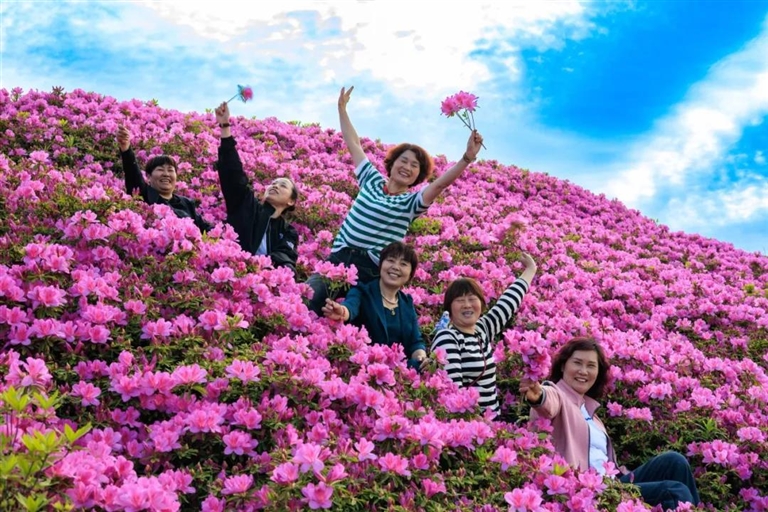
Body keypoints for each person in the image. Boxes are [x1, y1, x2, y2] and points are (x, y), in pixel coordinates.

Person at [306, 86, 484, 314]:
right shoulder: (371, 179)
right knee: (308, 297)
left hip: (369, 269)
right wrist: (342, 110)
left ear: (418, 175)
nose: (407, 167)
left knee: (352, 315)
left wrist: (467, 158)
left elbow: (440, 184)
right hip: (338, 258)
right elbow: (354, 144)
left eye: (414, 165)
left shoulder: (411, 203)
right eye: (404, 160)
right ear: (392, 163)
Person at [520, 337, 700, 510]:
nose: (583, 371)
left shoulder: (591, 414)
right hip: (585, 492)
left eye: (591, 366)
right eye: (577, 363)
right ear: (562, 365)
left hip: (612, 484)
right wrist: (538, 396)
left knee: (675, 461)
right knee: (674, 491)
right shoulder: (557, 394)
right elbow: (547, 402)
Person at [431, 253, 537, 414]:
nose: (467, 305)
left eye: (472, 299)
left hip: (492, 419)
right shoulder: (447, 338)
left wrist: (530, 269)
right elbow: (453, 394)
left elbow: (508, 303)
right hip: (471, 424)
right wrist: (483, 424)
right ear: (449, 308)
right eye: (459, 300)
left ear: (481, 303)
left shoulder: (481, 329)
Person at [214, 102, 299, 272]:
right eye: (273, 183)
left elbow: (286, 258)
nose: (275, 186)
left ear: (291, 201)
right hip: (235, 273)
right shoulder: (246, 206)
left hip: (266, 280)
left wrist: (261, 270)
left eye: (282, 185)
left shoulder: (288, 231)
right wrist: (225, 127)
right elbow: (233, 175)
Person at [322, 242, 428, 370]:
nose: (395, 267)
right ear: (381, 265)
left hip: (399, 372)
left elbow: (415, 342)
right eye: (391, 260)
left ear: (410, 274)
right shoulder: (362, 291)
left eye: (403, 264)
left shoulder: (407, 303)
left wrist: (421, 358)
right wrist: (342, 312)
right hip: (365, 369)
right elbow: (351, 306)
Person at [117, 125, 212, 232]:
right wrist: (126, 149)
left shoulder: (187, 203)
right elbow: (132, 173)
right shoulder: (144, 195)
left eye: (170, 170)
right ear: (148, 176)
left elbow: (205, 229)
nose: (166, 174)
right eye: (160, 170)